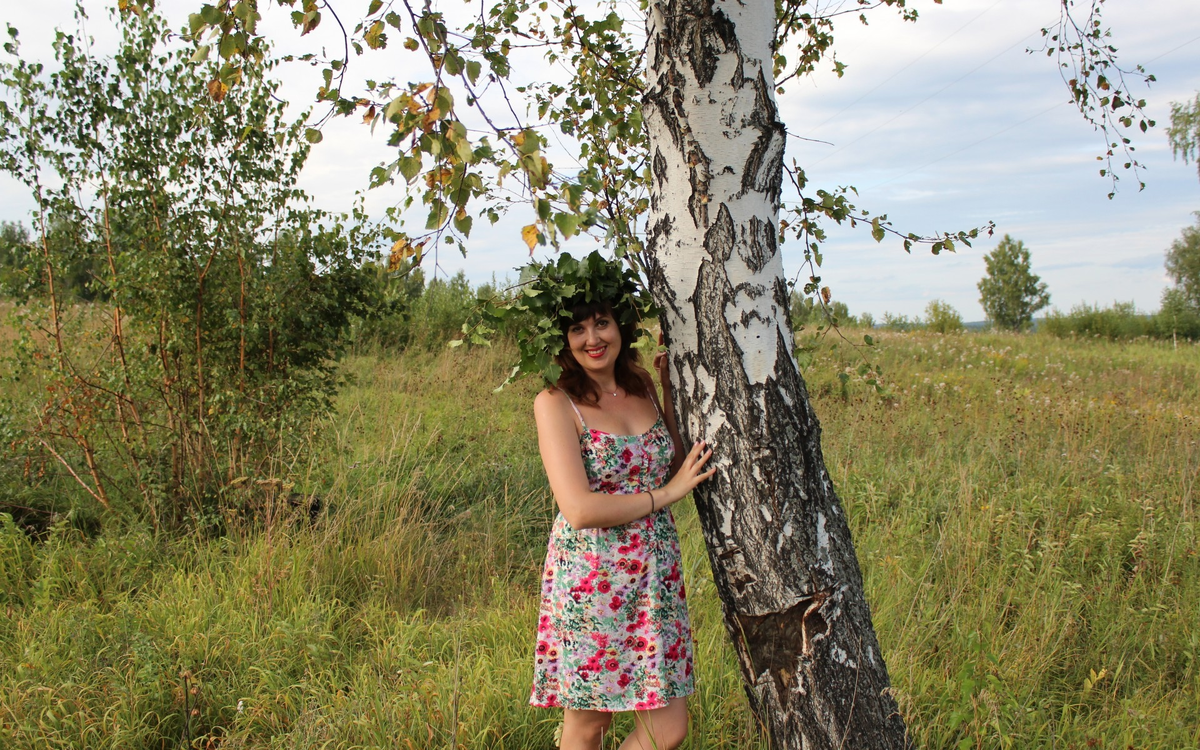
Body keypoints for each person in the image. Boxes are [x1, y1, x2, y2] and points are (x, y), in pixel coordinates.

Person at [529, 295, 716, 750]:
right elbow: (579, 509)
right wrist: (666, 497)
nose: (592, 339)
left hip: (656, 576)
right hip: (593, 578)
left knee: (668, 729)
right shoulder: (555, 403)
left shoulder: (642, 384)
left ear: (621, 327)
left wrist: (669, 388)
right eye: (578, 329)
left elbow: (666, 465)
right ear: (563, 340)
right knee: (589, 724)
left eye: (602, 323)